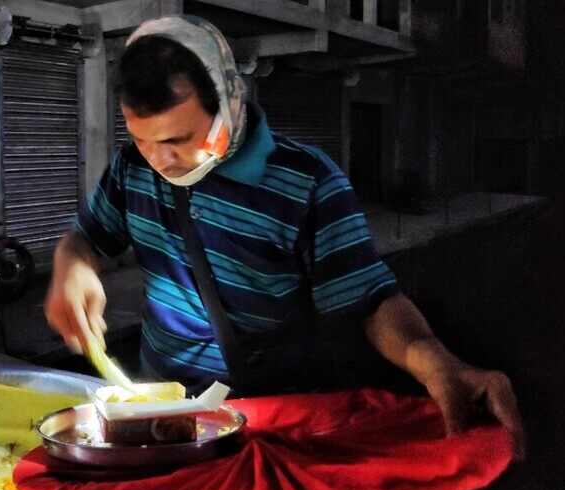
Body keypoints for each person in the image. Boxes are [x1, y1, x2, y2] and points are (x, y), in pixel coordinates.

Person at [44, 15, 524, 458]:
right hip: (157, 415)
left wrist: (434, 359)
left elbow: (371, 301)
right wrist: (73, 267)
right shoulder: (131, 171)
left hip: (274, 423)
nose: (158, 161)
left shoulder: (308, 182)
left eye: (176, 140)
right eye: (141, 139)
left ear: (230, 101)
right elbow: (86, 238)